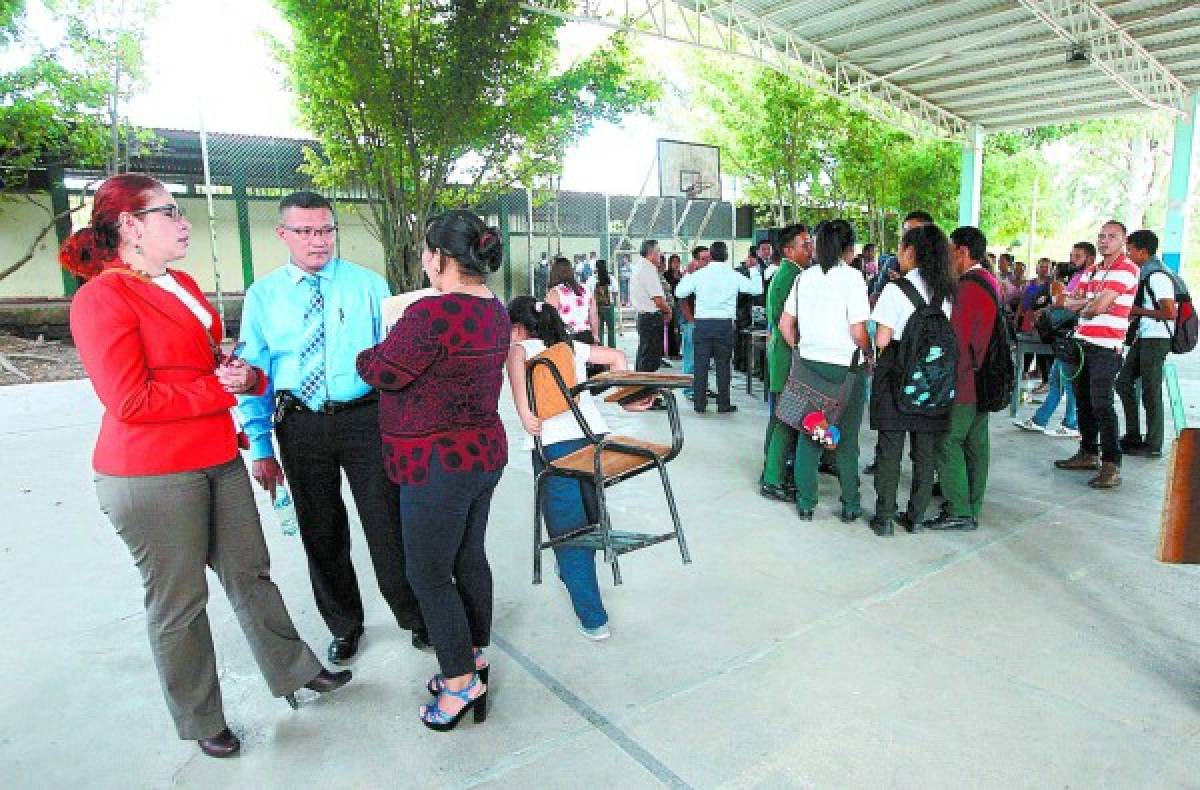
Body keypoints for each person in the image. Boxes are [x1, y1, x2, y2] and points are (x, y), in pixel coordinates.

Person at [63, 174, 349, 758]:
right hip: (150, 475)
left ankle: (294, 671)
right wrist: (221, 392)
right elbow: (130, 400)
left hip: (216, 456)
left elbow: (216, 364)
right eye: (169, 211)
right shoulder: (103, 297)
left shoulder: (184, 284)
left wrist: (247, 379)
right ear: (132, 226)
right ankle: (201, 718)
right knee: (179, 603)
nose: (183, 220)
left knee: (251, 573)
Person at [237, 191, 427, 666]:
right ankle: (344, 625)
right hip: (300, 424)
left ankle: (414, 615)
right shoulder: (263, 296)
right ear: (283, 234)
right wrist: (260, 444)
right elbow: (252, 374)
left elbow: (393, 359)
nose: (317, 241)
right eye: (304, 231)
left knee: (387, 523)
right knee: (320, 529)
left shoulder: (369, 285)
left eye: (325, 230)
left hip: (366, 418)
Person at [356, 209, 509, 732]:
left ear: (441, 258)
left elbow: (382, 370)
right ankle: (472, 655)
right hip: (482, 455)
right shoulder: (496, 310)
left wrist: (374, 342)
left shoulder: (428, 315)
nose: (424, 258)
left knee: (426, 574)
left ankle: (460, 681)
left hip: (436, 464)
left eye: (427, 249)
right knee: (467, 559)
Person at [505, 297, 649, 640]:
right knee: (589, 519)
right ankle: (569, 572)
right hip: (594, 442)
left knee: (568, 532)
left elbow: (523, 405)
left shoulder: (519, 349)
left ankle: (593, 618)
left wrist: (527, 416)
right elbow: (616, 356)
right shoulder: (569, 347)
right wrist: (628, 397)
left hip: (555, 450)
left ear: (517, 328)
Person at [778, 219, 872, 522]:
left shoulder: (803, 278)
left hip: (808, 368)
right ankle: (850, 505)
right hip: (846, 371)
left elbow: (784, 325)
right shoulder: (854, 278)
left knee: (811, 435)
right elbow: (858, 331)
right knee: (845, 439)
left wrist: (801, 351)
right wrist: (869, 352)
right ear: (849, 248)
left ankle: (806, 504)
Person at [868, 224, 956, 536]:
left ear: (911, 252)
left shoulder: (896, 290)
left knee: (890, 449)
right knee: (926, 451)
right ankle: (916, 516)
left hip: (895, 373)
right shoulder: (947, 292)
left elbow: (881, 340)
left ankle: (885, 517)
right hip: (933, 379)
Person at [1055, 220, 1140, 489]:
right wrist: (1087, 303)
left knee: (1102, 404)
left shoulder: (1127, 269)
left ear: (1123, 241)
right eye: (1102, 236)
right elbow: (1066, 302)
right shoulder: (1092, 271)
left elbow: (1096, 307)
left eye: (1112, 237)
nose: (1105, 241)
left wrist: (1086, 304)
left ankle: (1111, 465)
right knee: (1083, 402)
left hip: (1106, 347)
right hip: (1082, 343)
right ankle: (1089, 453)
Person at [930, 226, 1002, 530]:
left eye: (950, 249)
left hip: (965, 381)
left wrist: (943, 381)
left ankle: (958, 510)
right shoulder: (990, 281)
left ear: (961, 250)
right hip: (984, 377)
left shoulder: (968, 287)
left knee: (947, 441)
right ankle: (972, 504)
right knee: (976, 443)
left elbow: (958, 342)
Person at [674, 240, 762, 414]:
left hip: (703, 325)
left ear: (711, 256)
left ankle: (699, 403)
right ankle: (723, 404)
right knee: (723, 366)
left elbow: (679, 293)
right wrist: (753, 269)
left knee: (701, 366)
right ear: (727, 256)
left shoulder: (699, 275)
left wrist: (688, 274)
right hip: (724, 325)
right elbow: (757, 289)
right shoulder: (733, 275)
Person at [760, 224, 812, 501]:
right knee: (786, 419)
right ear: (788, 250)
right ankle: (772, 478)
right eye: (805, 245)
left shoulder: (788, 274)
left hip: (782, 356)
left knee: (781, 417)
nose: (810, 249)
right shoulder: (793, 278)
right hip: (788, 357)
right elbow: (787, 324)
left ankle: (772, 466)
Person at [1013, 249, 1087, 439]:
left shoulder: (1083, 278)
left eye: (1077, 256)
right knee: (1057, 380)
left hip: (1073, 336)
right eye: (1071, 255)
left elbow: (1065, 302)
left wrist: (1062, 301)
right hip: (1064, 336)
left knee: (1068, 382)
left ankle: (1071, 423)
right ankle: (1041, 420)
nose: (1072, 259)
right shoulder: (1075, 278)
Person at [1116, 229, 1176, 460]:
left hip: (1158, 338)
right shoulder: (1144, 274)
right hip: (1145, 336)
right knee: (1122, 383)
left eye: (1130, 250)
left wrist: (1138, 311)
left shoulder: (1157, 276)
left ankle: (1153, 443)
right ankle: (1133, 435)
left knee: (1151, 391)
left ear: (1142, 251)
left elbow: (1170, 313)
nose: (1128, 254)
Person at [630, 239, 672, 373]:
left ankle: (641, 389)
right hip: (651, 319)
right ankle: (645, 391)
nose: (661, 254)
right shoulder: (647, 269)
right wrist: (668, 311)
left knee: (644, 355)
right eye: (659, 251)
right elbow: (658, 300)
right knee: (650, 360)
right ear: (652, 253)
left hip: (645, 318)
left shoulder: (641, 267)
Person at [546, 256, 599, 345]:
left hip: (564, 338)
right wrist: (595, 335)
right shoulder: (586, 289)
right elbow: (593, 315)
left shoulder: (555, 292)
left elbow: (550, 318)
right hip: (586, 336)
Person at [681, 246, 710, 399]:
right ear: (696, 261)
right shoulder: (690, 276)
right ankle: (690, 389)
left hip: (707, 322)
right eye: (704, 259)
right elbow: (682, 300)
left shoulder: (710, 275)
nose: (708, 261)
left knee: (704, 358)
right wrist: (691, 320)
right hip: (692, 323)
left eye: (709, 258)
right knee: (691, 358)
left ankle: (702, 387)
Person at [593, 259, 618, 347]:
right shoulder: (611, 278)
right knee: (611, 329)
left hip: (597, 307)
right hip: (608, 306)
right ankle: (612, 347)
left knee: (600, 329)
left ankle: (600, 347)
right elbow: (616, 292)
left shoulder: (592, 279)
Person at [664, 254, 684, 359]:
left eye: (678, 262)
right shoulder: (666, 275)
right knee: (672, 328)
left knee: (680, 329)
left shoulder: (682, 275)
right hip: (671, 304)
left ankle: (677, 350)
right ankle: (672, 353)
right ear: (670, 263)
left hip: (681, 304)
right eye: (674, 262)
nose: (676, 264)